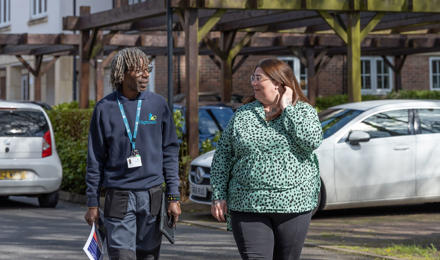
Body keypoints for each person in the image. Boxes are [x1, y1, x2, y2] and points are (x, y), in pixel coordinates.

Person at [210, 58, 323, 260]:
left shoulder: (303, 111)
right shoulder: (243, 114)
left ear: (278, 83)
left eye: (258, 78)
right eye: (253, 77)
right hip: (247, 203)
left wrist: (287, 107)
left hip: (293, 204)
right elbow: (223, 154)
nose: (253, 82)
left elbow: (312, 141)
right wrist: (218, 194)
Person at [84, 47, 181, 260]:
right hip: (118, 196)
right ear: (123, 72)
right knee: (122, 256)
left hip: (152, 196)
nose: (146, 75)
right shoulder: (105, 108)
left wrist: (174, 196)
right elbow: (95, 158)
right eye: (139, 70)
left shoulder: (158, 105)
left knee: (148, 256)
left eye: (148, 69)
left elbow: (170, 152)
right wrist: (92, 203)